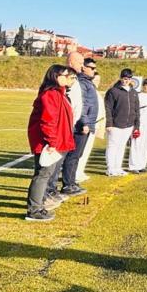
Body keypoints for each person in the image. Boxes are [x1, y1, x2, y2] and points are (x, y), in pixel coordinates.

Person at [25, 65, 77, 221]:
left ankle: (39, 206)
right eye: (67, 75)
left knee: (46, 174)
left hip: (53, 142)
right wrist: (52, 142)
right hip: (47, 143)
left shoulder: (59, 94)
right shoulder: (51, 94)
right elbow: (48, 120)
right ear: (56, 76)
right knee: (42, 174)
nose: (70, 79)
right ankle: (34, 210)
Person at [45, 52, 85, 202]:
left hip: (69, 127)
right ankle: (48, 192)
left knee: (58, 163)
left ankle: (51, 190)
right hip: (62, 129)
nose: (82, 66)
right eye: (80, 62)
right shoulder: (55, 91)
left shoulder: (73, 84)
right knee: (52, 165)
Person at [61, 56, 97, 195]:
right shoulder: (81, 82)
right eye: (91, 68)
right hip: (80, 126)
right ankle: (67, 184)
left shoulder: (87, 82)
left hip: (86, 124)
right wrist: (85, 122)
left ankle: (71, 181)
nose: (93, 70)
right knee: (73, 155)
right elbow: (81, 105)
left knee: (77, 155)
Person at [104, 69, 139, 177]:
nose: (126, 81)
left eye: (128, 79)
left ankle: (117, 167)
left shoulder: (133, 92)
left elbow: (136, 109)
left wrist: (136, 125)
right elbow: (108, 108)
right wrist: (109, 123)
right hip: (116, 124)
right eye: (124, 78)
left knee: (121, 146)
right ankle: (110, 168)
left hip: (128, 125)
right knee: (112, 146)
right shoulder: (113, 91)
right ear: (121, 78)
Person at [75, 71, 103, 183]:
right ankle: (76, 173)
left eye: (99, 80)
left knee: (86, 151)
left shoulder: (96, 92)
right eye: (95, 79)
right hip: (88, 124)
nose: (97, 82)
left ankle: (80, 171)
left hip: (94, 124)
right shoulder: (89, 92)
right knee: (81, 150)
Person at [129, 78, 147, 173]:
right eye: (146, 85)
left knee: (145, 145)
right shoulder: (138, 95)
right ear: (143, 86)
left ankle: (142, 165)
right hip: (139, 123)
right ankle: (133, 166)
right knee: (136, 144)